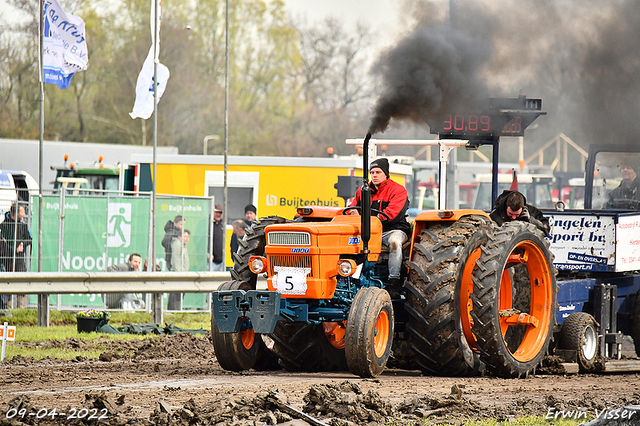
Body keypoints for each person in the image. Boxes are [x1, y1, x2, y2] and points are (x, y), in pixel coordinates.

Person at [347, 158, 411, 285]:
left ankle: (394, 280)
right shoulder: (362, 191)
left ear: (386, 174)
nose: (374, 175)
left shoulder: (398, 191)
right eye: (372, 173)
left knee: (394, 242)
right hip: (367, 230)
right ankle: (351, 277)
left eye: (378, 172)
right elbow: (352, 208)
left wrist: (366, 220)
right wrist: (352, 213)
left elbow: (390, 215)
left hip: (392, 230)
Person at [0, 203, 32, 309]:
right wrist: (14, 251)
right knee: (8, 284)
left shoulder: (23, 226)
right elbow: (2, 245)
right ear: (16, 213)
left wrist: (22, 244)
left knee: (21, 282)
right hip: (7, 261)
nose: (24, 214)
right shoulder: (3, 226)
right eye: (22, 212)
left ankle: (20, 308)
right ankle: (8, 309)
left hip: (19, 261)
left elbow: (29, 238)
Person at [169, 229, 190, 310]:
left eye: (188, 237)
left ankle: (176, 310)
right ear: (179, 236)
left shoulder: (182, 245)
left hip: (182, 274)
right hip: (178, 274)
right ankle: (174, 310)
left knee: (178, 295)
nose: (187, 238)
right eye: (184, 236)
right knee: (176, 295)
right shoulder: (177, 244)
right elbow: (176, 259)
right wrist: (179, 274)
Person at [210, 205, 225, 271]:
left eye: (220, 213)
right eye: (217, 212)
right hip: (212, 260)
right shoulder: (209, 224)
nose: (218, 214)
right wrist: (209, 253)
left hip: (222, 260)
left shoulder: (222, 225)